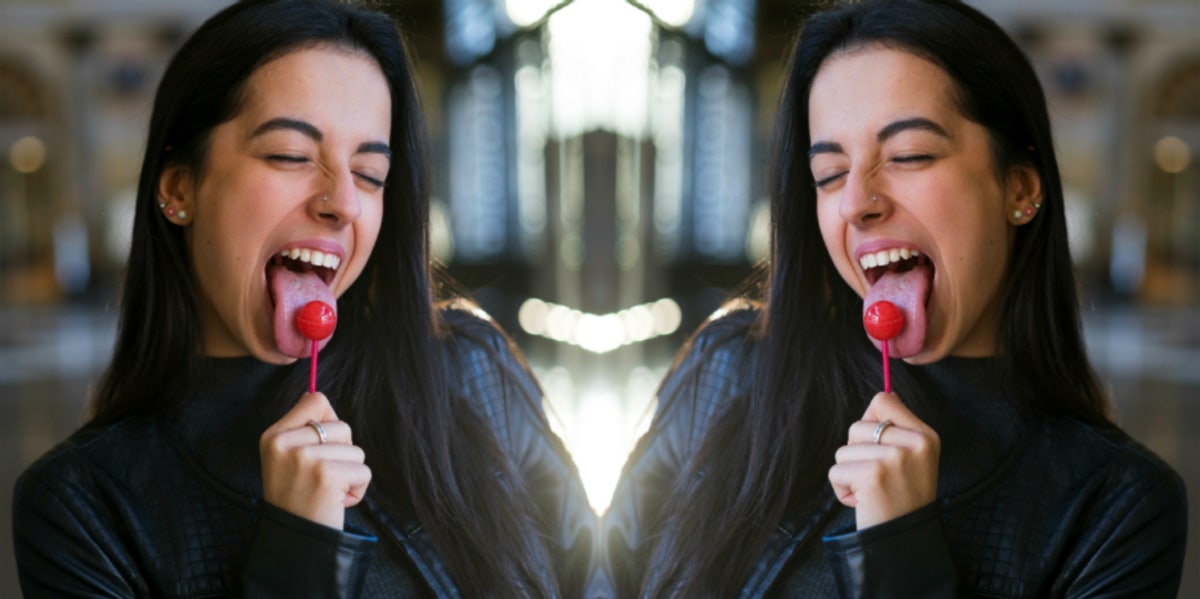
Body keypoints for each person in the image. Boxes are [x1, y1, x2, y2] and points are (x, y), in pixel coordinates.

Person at [599, 0, 1187, 597]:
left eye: (909, 156)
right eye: (829, 174)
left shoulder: (1119, 506)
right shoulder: (728, 370)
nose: (857, 202)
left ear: (1020, 186)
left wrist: (900, 551)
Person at [12, 1, 596, 597]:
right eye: (290, 156)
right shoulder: (80, 508)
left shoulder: (473, 370)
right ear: (180, 187)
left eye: (370, 174)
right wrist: (300, 551)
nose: (342, 202)